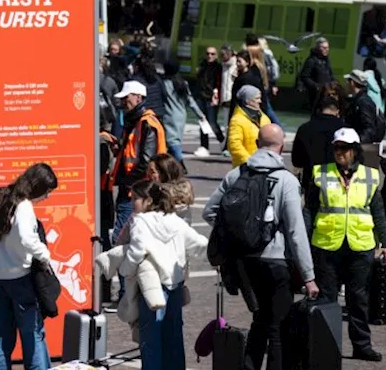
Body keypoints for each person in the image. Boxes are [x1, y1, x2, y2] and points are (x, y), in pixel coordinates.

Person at [203, 124, 318, 370]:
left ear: (256, 143)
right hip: (275, 261)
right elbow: (295, 232)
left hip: (244, 261)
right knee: (278, 327)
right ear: (282, 147)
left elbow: (209, 211)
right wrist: (308, 276)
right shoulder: (286, 180)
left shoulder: (237, 174)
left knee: (260, 320)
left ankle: (249, 366)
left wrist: (238, 233)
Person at [303, 128, 386, 361]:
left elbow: (378, 212)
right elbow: (309, 210)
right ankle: (326, 347)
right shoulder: (320, 173)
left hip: (360, 245)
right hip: (326, 244)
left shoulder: (370, 176)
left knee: (358, 300)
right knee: (327, 300)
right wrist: (302, 243)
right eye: (336, 147)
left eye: (344, 148)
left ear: (354, 151)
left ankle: (362, 346)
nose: (339, 152)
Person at [121, 180, 207, 370]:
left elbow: (136, 251)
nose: (132, 202)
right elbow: (199, 244)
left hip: (152, 288)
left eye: (135, 198)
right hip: (174, 285)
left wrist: (124, 270)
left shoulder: (140, 221)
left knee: (151, 342)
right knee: (173, 339)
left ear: (148, 200)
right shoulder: (174, 219)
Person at [0, 162, 58, 370]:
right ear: (38, 187)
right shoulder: (23, 206)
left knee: (0, 335)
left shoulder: (1, 200)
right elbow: (26, 237)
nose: (47, 197)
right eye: (47, 192)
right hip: (21, 278)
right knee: (32, 335)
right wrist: (44, 254)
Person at [105, 80, 167, 247]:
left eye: (127, 97)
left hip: (137, 190)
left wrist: (126, 182)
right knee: (130, 238)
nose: (124, 102)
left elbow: (146, 161)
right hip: (134, 189)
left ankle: (124, 273)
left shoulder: (146, 123)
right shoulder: (135, 122)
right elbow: (134, 155)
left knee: (121, 240)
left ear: (139, 97)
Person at [291, 95, 346, 188]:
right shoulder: (345, 130)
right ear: (337, 111)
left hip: (311, 180)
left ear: (319, 110)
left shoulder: (304, 129)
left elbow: (297, 161)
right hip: (338, 180)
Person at [192, 46, 225, 157]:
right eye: (208, 53)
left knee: (212, 122)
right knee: (202, 122)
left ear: (216, 55)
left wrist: (217, 96)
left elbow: (219, 83)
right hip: (201, 97)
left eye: (212, 54)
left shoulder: (218, 67)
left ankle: (223, 142)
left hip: (211, 97)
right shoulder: (202, 65)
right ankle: (204, 146)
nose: (209, 56)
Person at [227, 85, 270, 168]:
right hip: (245, 168)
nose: (260, 101)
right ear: (248, 101)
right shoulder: (237, 120)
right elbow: (234, 145)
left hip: (264, 165)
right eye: (257, 98)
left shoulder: (264, 118)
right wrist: (250, 161)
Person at [297, 37, 334, 110]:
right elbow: (304, 76)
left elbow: (330, 75)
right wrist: (316, 86)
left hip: (327, 92)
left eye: (327, 48)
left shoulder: (326, 61)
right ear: (317, 48)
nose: (326, 50)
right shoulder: (311, 60)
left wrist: (333, 85)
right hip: (316, 94)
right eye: (324, 48)